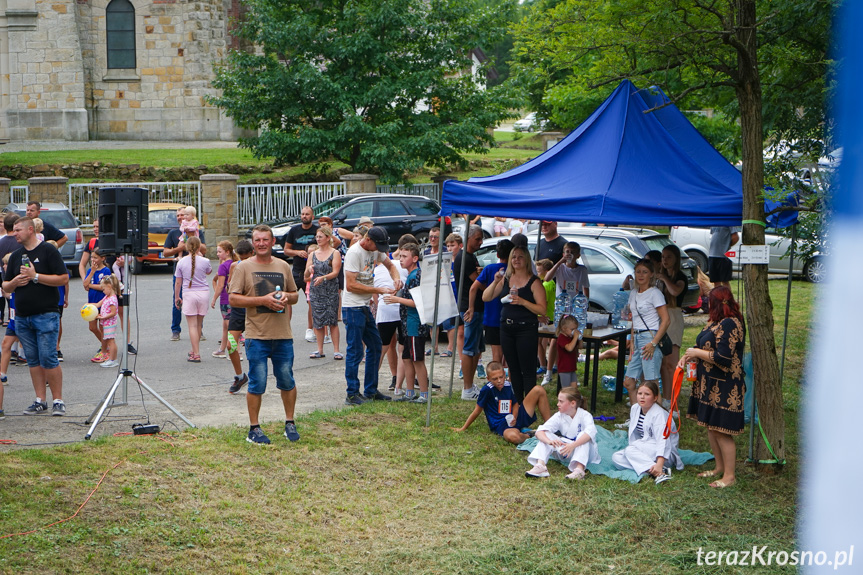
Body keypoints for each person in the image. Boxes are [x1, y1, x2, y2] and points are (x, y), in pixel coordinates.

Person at [228, 224, 300, 444]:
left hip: (282, 335)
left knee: (287, 380)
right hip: (256, 336)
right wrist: (262, 300)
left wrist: (287, 297)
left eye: (265, 240)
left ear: (272, 242)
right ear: (253, 243)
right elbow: (233, 298)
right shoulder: (243, 267)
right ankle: (254, 429)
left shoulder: (282, 265)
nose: (261, 244)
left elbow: (295, 294)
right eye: (257, 240)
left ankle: (289, 423)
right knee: (257, 383)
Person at [2, 217, 69, 416]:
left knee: (48, 357)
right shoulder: (15, 256)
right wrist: (14, 282)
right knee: (33, 360)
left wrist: (36, 277)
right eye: (13, 230)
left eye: (18, 230)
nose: (15, 234)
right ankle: (40, 400)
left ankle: (58, 400)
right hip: (22, 317)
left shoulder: (48, 251)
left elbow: (63, 278)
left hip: (46, 314)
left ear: (30, 230)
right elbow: (5, 286)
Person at [681, 285, 746, 488]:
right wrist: (686, 357)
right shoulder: (715, 322)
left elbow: (724, 358)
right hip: (708, 383)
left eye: (709, 302)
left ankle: (729, 476)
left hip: (726, 386)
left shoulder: (730, 324)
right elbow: (701, 346)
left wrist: (696, 353)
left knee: (722, 430)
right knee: (711, 427)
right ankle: (719, 468)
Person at [342, 226, 402, 405]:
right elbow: (351, 285)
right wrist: (379, 289)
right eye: (377, 245)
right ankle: (352, 394)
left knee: (376, 345)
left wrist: (396, 277)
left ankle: (371, 390)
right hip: (352, 308)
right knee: (355, 351)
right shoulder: (354, 253)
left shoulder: (374, 250)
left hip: (364, 306)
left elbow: (390, 265)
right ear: (368, 240)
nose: (379, 250)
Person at [482, 245, 547, 403]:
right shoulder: (506, 278)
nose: (516, 260)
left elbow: (542, 309)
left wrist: (523, 301)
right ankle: (518, 402)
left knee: (528, 369)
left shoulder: (534, 281)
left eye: (520, 257)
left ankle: (529, 404)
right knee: (513, 368)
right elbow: (486, 297)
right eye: (513, 257)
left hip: (526, 328)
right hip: (507, 327)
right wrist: (495, 281)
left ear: (526, 260)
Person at [453, 361, 551, 445]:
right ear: (488, 379)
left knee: (538, 390)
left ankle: (550, 426)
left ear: (505, 375)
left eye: (501, 377)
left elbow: (515, 404)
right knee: (514, 438)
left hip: (514, 417)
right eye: (495, 379)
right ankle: (530, 435)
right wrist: (463, 428)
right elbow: (477, 411)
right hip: (501, 424)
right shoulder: (486, 390)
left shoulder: (508, 385)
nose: (499, 381)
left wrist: (514, 416)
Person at [383, 243, 429, 403]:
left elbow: (417, 302)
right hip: (407, 324)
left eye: (404, 256)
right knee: (407, 358)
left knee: (417, 359)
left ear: (415, 258)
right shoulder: (410, 276)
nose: (400, 259)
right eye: (400, 256)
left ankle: (424, 394)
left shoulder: (416, 275)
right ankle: (409, 392)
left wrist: (397, 299)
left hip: (415, 324)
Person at [612, 380, 681, 484]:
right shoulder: (635, 408)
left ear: (655, 397)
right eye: (640, 394)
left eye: (647, 394)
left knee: (630, 451)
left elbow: (664, 441)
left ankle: (659, 468)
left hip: (663, 453)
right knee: (616, 458)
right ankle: (656, 471)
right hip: (645, 448)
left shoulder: (659, 414)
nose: (642, 397)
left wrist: (660, 463)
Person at [524, 386, 600, 479]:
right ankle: (540, 466)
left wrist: (573, 445)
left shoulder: (585, 415)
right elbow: (540, 431)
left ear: (572, 403)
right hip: (565, 451)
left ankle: (579, 470)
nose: (557, 404)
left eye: (561, 401)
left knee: (583, 436)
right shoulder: (559, 416)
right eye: (558, 401)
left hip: (585, 453)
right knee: (546, 434)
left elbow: (590, 433)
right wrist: (549, 441)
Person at [622, 258, 670, 406]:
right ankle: (637, 417)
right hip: (637, 338)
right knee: (629, 382)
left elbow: (666, 320)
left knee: (651, 383)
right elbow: (634, 320)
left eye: (645, 272)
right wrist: (632, 346)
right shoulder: (634, 293)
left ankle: (659, 422)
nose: (641, 275)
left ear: (651, 275)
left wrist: (653, 343)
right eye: (638, 272)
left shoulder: (655, 293)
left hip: (649, 337)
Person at [163, 207, 207, 341]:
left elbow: (204, 249)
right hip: (180, 269)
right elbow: (165, 252)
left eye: (183, 214)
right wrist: (180, 248)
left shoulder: (197, 230)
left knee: (197, 300)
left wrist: (193, 239)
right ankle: (175, 330)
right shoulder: (173, 233)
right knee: (177, 299)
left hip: (196, 271)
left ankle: (199, 330)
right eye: (178, 215)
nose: (180, 217)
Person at [656, 244, 688, 408]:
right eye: (663, 257)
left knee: (672, 363)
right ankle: (666, 398)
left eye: (668, 257)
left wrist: (665, 279)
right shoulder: (659, 278)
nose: (665, 260)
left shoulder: (680, 277)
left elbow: (675, 292)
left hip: (673, 318)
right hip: (661, 318)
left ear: (676, 259)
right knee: (662, 363)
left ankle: (673, 401)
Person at [473, 239, 513, 367]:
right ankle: (506, 378)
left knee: (496, 353)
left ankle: (497, 378)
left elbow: (474, 287)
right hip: (509, 316)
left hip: (491, 316)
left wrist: (470, 307)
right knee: (509, 352)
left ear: (497, 254)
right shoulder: (515, 271)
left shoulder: (490, 269)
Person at [457, 225, 486, 400]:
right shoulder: (464, 258)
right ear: (468, 238)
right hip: (470, 308)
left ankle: (470, 385)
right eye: (478, 239)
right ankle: (467, 388)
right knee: (469, 349)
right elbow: (477, 284)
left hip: (475, 307)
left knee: (476, 349)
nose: (481, 242)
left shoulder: (470, 257)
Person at [304, 227, 342, 359]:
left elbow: (335, 272)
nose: (318, 239)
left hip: (330, 289)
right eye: (317, 237)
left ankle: (336, 350)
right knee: (318, 320)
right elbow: (305, 275)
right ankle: (319, 350)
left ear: (328, 238)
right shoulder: (312, 254)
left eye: (320, 237)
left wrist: (323, 277)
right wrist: (309, 270)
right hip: (316, 290)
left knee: (332, 320)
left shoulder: (335, 253)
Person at [283, 205, 319, 342]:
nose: (304, 216)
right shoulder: (294, 230)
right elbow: (286, 250)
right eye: (303, 214)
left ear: (312, 217)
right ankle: (286, 328)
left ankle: (310, 330)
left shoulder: (317, 231)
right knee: (287, 299)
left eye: (307, 214)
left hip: (312, 271)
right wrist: (297, 252)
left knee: (312, 302)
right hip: (297, 270)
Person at [174, 236, 212, 363]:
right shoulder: (205, 261)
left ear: (186, 247)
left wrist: (176, 296)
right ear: (199, 246)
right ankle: (195, 349)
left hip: (189, 294)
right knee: (199, 324)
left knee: (192, 325)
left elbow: (178, 282)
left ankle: (196, 353)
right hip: (203, 293)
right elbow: (209, 272)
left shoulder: (181, 262)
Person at [227, 240, 254, 394]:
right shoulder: (234, 266)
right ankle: (240, 376)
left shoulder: (257, 266)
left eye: (246, 258)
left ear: (252, 253)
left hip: (253, 309)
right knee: (231, 344)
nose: (243, 262)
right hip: (238, 310)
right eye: (241, 258)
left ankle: (256, 375)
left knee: (255, 346)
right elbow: (230, 286)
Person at [83, 248, 112, 363]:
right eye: (92, 257)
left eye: (95, 257)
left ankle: (104, 350)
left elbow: (103, 287)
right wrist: (91, 273)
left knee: (102, 327)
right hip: (92, 303)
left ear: (103, 258)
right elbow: (85, 285)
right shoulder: (91, 270)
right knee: (92, 327)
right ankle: (106, 345)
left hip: (102, 302)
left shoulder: (106, 271)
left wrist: (90, 285)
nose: (93, 259)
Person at [210, 240, 238, 358]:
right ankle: (222, 348)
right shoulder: (235, 263)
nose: (217, 254)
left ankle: (234, 350)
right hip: (234, 298)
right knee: (226, 325)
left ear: (227, 252)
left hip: (225, 300)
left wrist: (214, 298)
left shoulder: (223, 266)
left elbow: (220, 285)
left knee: (229, 326)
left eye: (219, 252)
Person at [96, 274, 121, 369]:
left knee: (111, 341)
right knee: (109, 340)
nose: (103, 291)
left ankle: (113, 360)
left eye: (103, 289)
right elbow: (98, 304)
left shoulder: (112, 299)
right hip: (106, 323)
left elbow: (113, 312)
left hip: (110, 323)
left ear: (109, 287)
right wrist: (89, 306)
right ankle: (111, 359)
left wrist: (104, 317)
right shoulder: (106, 297)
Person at [555, 315, 581, 388]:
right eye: (572, 329)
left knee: (574, 389)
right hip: (564, 369)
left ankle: (574, 399)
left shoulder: (571, 338)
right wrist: (575, 337)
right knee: (566, 389)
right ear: (564, 328)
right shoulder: (561, 338)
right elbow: (569, 348)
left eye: (575, 329)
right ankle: (563, 399)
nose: (574, 332)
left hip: (572, 367)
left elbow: (580, 346)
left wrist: (580, 338)